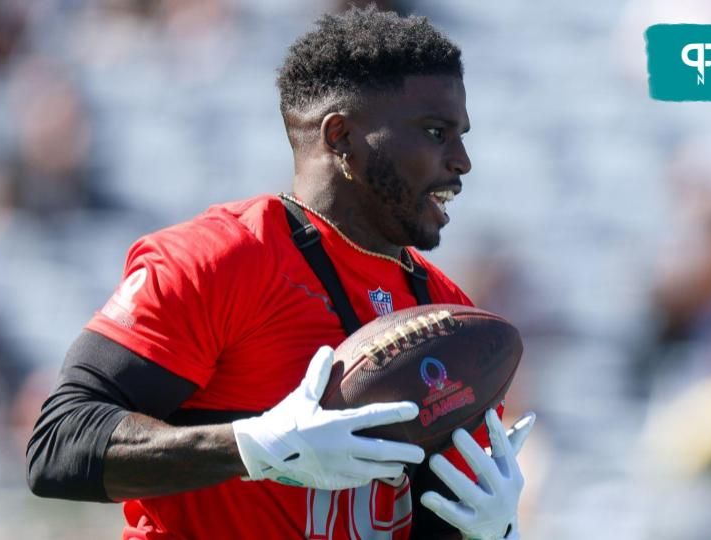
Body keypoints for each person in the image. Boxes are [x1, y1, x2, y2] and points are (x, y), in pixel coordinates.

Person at [27, 7, 535, 539]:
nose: (462, 161)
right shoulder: (223, 260)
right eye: (436, 132)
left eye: (460, 135)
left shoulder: (444, 311)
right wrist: (252, 447)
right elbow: (58, 445)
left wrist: (486, 532)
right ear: (340, 137)